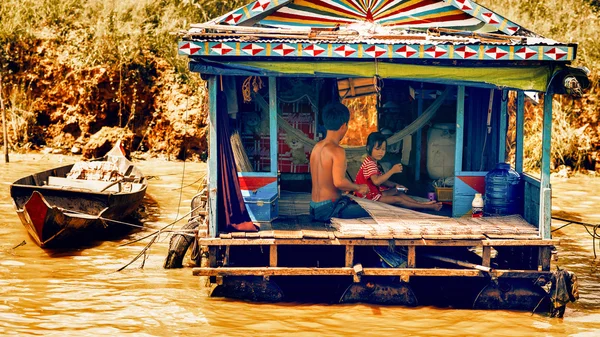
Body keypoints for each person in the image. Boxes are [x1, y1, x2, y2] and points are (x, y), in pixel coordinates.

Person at [309, 102, 370, 222]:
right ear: (344, 126)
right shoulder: (337, 151)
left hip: (314, 208)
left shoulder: (317, 147)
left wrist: (349, 187)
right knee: (372, 209)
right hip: (329, 209)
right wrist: (358, 187)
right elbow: (339, 182)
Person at [355, 132, 443, 211]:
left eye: (383, 149)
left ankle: (419, 204)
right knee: (398, 199)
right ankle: (427, 207)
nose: (381, 152)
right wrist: (392, 171)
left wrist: (395, 185)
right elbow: (377, 181)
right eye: (377, 149)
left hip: (373, 193)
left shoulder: (372, 161)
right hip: (368, 197)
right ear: (368, 148)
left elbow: (382, 180)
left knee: (397, 191)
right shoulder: (370, 164)